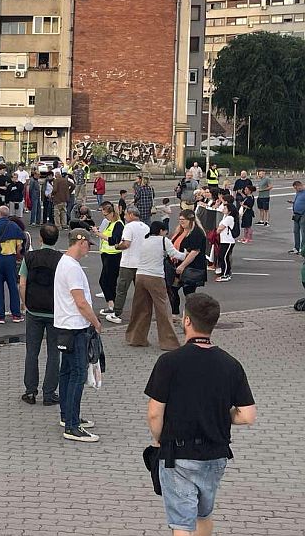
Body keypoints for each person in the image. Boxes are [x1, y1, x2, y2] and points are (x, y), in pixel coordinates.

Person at [144, 293, 256, 536]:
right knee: (203, 514)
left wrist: (159, 440)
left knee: (182, 523)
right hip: (215, 454)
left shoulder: (169, 362)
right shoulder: (230, 364)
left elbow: (154, 413)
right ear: (213, 324)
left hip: (178, 454)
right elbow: (247, 415)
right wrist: (225, 415)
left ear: (186, 321)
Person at [53, 228, 102, 442]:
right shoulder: (72, 268)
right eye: (88, 244)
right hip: (75, 326)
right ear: (80, 242)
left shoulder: (64, 263)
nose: (88, 248)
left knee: (67, 372)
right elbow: (80, 301)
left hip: (64, 325)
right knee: (78, 374)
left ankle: (67, 416)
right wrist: (95, 321)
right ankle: (72, 426)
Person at [19, 224, 62, 406]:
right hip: (55, 311)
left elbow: (22, 283)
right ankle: (49, 392)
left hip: (34, 309)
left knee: (32, 351)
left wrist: (25, 302)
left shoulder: (29, 257)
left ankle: (30, 391)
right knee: (54, 353)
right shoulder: (62, 259)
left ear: (41, 239)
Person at [126, 221, 186, 351]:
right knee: (163, 309)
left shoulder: (144, 241)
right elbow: (176, 255)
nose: (166, 233)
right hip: (155, 277)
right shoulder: (163, 240)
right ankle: (169, 342)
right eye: (165, 231)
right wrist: (187, 254)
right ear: (160, 231)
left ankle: (136, 338)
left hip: (140, 276)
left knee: (141, 308)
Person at [0, 206, 26, 324]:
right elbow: (19, 247)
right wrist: (17, 256)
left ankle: (0, 316)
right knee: (13, 287)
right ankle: (16, 314)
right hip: (10, 259)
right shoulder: (14, 226)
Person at [108, 206, 149, 325]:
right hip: (142, 263)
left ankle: (116, 313)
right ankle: (143, 313)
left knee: (121, 289)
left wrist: (117, 246)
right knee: (141, 290)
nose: (124, 217)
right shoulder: (146, 227)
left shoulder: (128, 227)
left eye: (125, 214)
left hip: (128, 263)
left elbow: (126, 244)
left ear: (131, 215)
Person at [168, 209, 208, 318]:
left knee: (189, 292)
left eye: (183, 220)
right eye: (180, 220)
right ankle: (175, 313)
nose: (181, 222)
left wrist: (182, 265)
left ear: (191, 220)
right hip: (177, 264)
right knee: (173, 289)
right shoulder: (180, 231)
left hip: (191, 267)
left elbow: (194, 252)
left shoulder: (197, 233)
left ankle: (190, 314)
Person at [215, 203, 239, 282]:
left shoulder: (229, 218)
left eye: (225, 208)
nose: (223, 209)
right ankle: (227, 273)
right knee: (223, 257)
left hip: (228, 241)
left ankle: (225, 274)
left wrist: (218, 229)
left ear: (229, 211)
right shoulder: (225, 217)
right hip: (224, 240)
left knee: (223, 257)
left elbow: (220, 228)